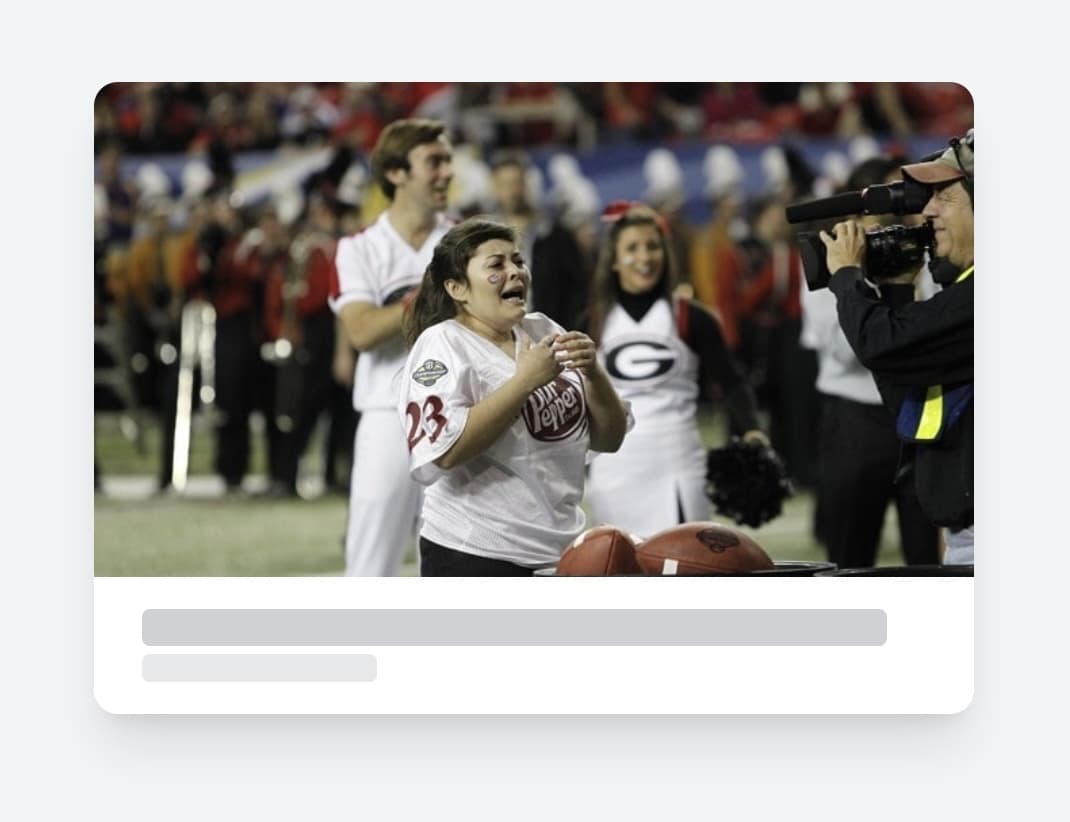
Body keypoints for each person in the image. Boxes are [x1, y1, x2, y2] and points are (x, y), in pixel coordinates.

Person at [400, 218, 630, 576]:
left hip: (559, 548)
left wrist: (594, 373)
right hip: (476, 551)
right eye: (496, 264)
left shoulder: (542, 330)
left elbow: (609, 438)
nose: (515, 272)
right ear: (457, 287)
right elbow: (445, 452)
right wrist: (524, 383)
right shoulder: (442, 344)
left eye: (518, 261)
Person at [821, 129, 974, 564]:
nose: (927, 211)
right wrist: (896, 294)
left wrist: (848, 279)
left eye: (944, 197)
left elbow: (877, 344)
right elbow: (905, 388)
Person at [585, 203, 769, 538]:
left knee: (684, 568)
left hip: (677, 460)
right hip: (613, 465)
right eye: (632, 248)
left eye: (653, 246)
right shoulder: (593, 321)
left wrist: (752, 429)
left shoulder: (691, 317)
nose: (645, 256)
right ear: (612, 258)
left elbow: (731, 382)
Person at [329, 118, 454, 575]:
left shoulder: (466, 240)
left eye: (448, 161)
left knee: (456, 559)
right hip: (387, 412)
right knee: (371, 562)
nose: (446, 172)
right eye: (434, 162)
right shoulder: (358, 248)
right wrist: (442, 295)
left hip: (462, 410)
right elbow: (361, 330)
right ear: (397, 173)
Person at [801, 156, 940, 568]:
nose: (905, 209)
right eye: (893, 199)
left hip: (919, 414)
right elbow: (848, 351)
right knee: (849, 557)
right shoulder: (829, 253)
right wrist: (859, 274)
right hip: (855, 424)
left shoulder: (924, 247)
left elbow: (932, 338)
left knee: (928, 561)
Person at [488, 149, 590, 330]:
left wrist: (572, 332)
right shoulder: (484, 238)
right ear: (494, 187)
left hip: (552, 335)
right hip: (501, 337)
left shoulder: (555, 234)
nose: (512, 191)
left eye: (516, 183)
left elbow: (578, 290)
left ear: (527, 183)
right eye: (505, 184)